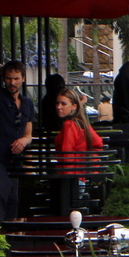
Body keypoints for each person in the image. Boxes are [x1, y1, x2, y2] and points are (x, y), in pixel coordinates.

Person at [0, 58, 34, 223]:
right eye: (9, 78)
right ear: (3, 78)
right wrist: (6, 69)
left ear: (23, 79)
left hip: (14, 165)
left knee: (12, 214)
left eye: (16, 78)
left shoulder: (27, 103)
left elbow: (29, 134)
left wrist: (24, 141)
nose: (12, 82)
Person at [53, 87, 103, 216]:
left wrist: (67, 180)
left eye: (63, 104)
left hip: (69, 180)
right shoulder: (82, 123)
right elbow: (98, 142)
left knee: (67, 217)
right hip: (81, 178)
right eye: (57, 103)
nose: (59, 107)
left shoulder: (69, 125)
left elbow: (66, 154)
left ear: (73, 106)